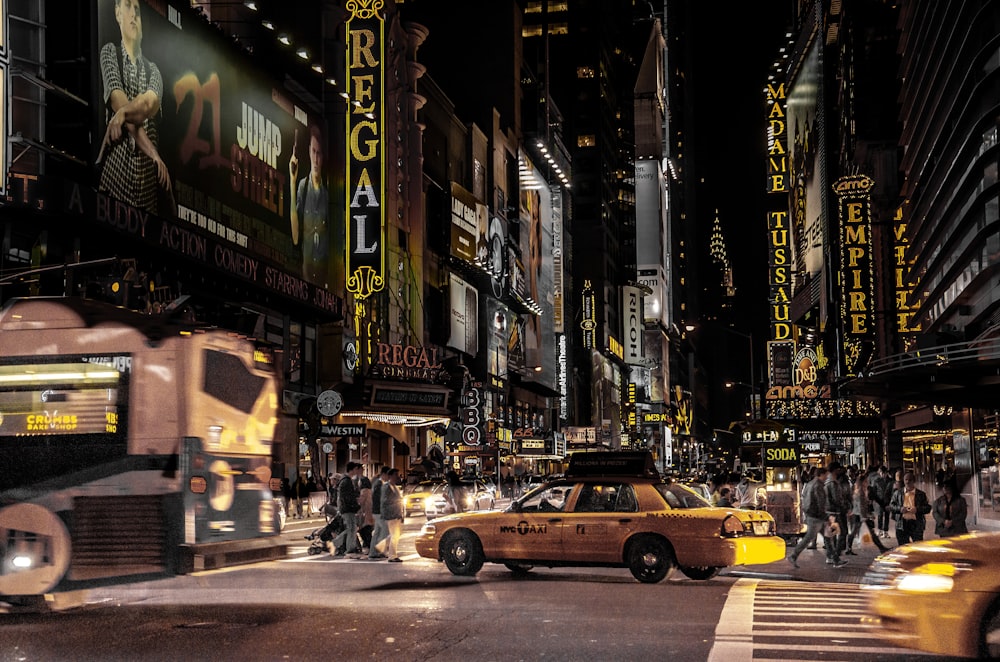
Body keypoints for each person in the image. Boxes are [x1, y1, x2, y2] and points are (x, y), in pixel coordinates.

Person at [98, 0, 171, 214]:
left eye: (137, 10)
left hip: (147, 195)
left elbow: (147, 105)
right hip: (113, 184)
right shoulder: (109, 53)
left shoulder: (153, 71)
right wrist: (154, 154)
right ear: (118, 13)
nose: (134, 15)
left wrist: (121, 115)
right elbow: (119, 103)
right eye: (128, 7)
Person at [288, 124, 330, 288]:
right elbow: (295, 236)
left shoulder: (328, 197)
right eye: (313, 151)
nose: (316, 158)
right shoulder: (302, 187)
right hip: (304, 279)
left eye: (319, 153)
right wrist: (292, 181)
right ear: (308, 151)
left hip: (323, 283)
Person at [789, 466, 841, 568]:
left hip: (812, 514)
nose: (827, 476)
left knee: (827, 536)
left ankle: (835, 559)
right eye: (826, 474)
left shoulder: (810, 483)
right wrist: (825, 516)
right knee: (809, 538)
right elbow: (820, 502)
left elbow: (804, 497)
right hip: (816, 516)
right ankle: (793, 556)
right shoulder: (818, 485)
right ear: (821, 474)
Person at [851, 471, 889, 554]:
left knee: (857, 532)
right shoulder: (861, 492)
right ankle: (881, 548)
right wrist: (864, 517)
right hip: (860, 515)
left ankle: (847, 548)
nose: (867, 482)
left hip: (858, 515)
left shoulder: (861, 490)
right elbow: (861, 505)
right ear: (863, 482)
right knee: (867, 532)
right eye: (866, 481)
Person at [889, 471, 932, 545]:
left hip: (916, 524)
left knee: (918, 546)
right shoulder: (898, 493)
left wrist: (917, 509)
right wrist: (900, 509)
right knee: (903, 547)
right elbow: (891, 506)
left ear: (914, 481)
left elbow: (927, 508)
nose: (908, 482)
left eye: (910, 480)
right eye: (906, 479)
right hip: (902, 524)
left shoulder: (921, 494)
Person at [332, 462, 363, 557]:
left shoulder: (345, 480)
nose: (357, 471)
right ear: (352, 469)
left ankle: (336, 544)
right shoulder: (347, 481)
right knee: (352, 529)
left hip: (346, 508)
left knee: (351, 529)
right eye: (356, 469)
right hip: (348, 509)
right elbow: (348, 497)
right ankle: (349, 549)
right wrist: (356, 507)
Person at [823, 462, 849, 567]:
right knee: (842, 533)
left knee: (830, 535)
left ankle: (830, 556)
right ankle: (836, 558)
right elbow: (837, 499)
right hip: (834, 512)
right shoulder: (833, 483)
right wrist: (844, 507)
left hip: (828, 511)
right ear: (835, 470)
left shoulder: (826, 481)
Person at [378, 468, 404, 562]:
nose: (397, 477)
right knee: (394, 535)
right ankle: (392, 556)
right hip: (391, 514)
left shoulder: (395, 487)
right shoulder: (387, 487)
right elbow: (384, 501)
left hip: (396, 514)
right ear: (390, 476)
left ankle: (382, 546)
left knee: (396, 534)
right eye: (395, 475)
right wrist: (394, 505)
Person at [368, 466, 390, 559]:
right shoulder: (379, 484)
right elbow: (379, 499)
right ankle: (378, 550)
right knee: (385, 530)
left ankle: (373, 552)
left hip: (377, 511)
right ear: (384, 474)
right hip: (379, 512)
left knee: (378, 531)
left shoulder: (378, 483)